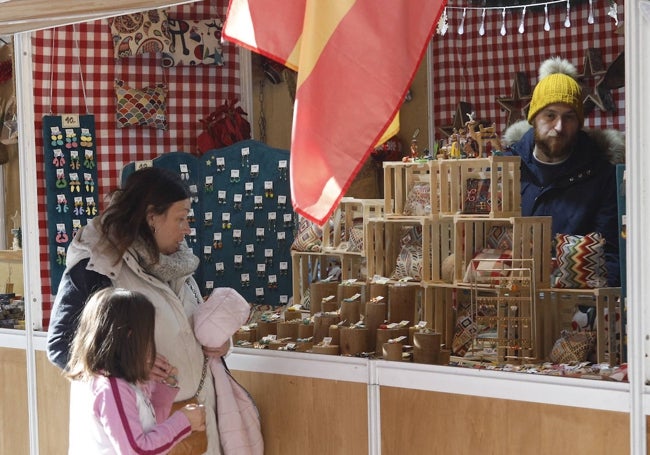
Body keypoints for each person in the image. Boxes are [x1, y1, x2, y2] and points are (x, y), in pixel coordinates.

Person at [47, 166, 228, 454]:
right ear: (152, 217)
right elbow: (60, 347)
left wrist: (216, 340)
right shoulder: (96, 264)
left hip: (192, 423)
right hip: (140, 431)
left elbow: (185, 325)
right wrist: (128, 361)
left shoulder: (176, 261)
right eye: (181, 219)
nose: (188, 229)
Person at [503, 56, 624, 287]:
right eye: (550, 115)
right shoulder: (507, 168)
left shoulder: (602, 176)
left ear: (578, 123)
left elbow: (610, 257)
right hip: (512, 301)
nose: (559, 127)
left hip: (576, 308)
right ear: (534, 117)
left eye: (569, 117)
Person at [66, 287, 206, 454]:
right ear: (130, 336)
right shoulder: (111, 388)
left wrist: (162, 387)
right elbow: (137, 450)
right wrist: (185, 421)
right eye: (147, 334)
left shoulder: (104, 380)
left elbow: (145, 428)